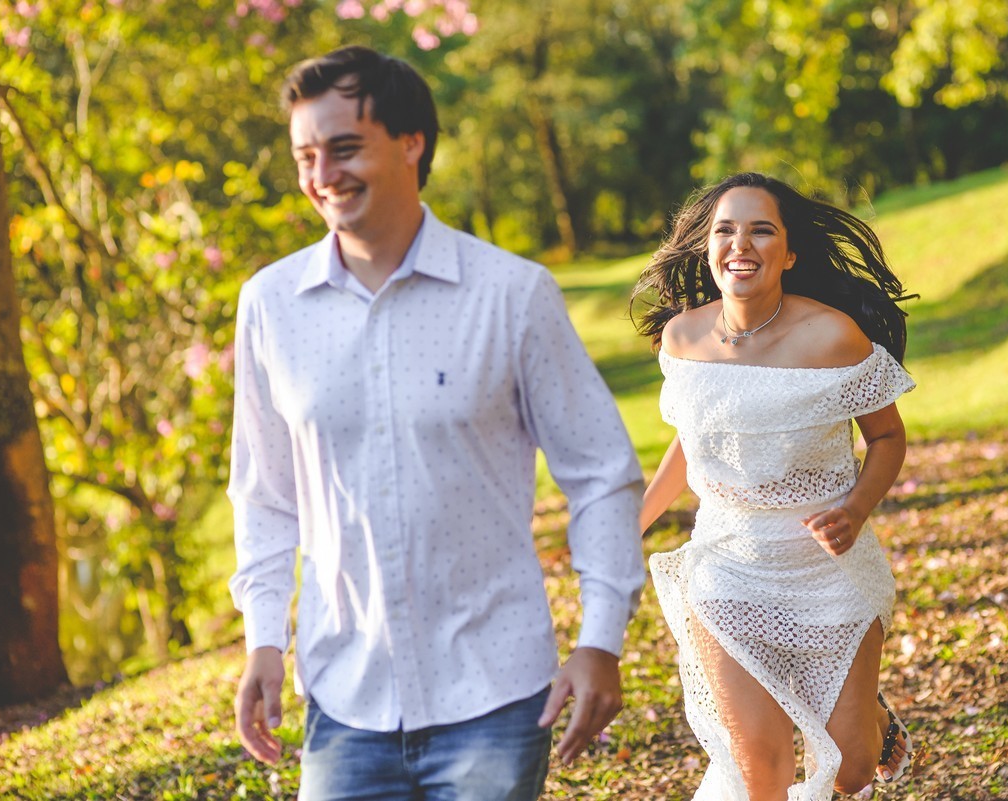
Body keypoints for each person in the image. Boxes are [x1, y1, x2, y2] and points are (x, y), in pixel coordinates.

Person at [227, 45, 645, 801]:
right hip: (344, 698)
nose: (322, 176)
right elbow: (264, 495)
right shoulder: (270, 306)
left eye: (344, 148)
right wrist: (263, 638)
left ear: (411, 142)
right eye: (306, 157)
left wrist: (601, 638)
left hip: (494, 691)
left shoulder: (511, 294)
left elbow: (601, 474)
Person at [631, 172, 916, 800]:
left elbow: (888, 437)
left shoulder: (834, 338)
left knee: (850, 770)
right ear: (708, 247)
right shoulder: (683, 338)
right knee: (761, 770)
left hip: (826, 568)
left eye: (761, 230)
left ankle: (870, 719)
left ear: (789, 254)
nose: (741, 244)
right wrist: (633, 523)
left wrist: (855, 510)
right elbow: (695, 440)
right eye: (725, 230)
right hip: (726, 564)